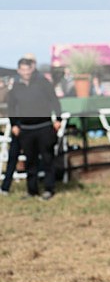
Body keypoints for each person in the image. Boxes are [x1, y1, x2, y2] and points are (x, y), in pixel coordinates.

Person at [4, 58, 62, 199]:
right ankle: (32, 190)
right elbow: (11, 108)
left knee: (47, 159)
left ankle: (49, 189)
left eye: (27, 69)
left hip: (44, 127)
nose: (25, 72)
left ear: (32, 69)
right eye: (22, 70)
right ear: (19, 71)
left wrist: (58, 119)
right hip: (26, 129)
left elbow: (54, 100)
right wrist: (14, 125)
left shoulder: (43, 83)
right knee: (30, 161)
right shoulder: (16, 88)